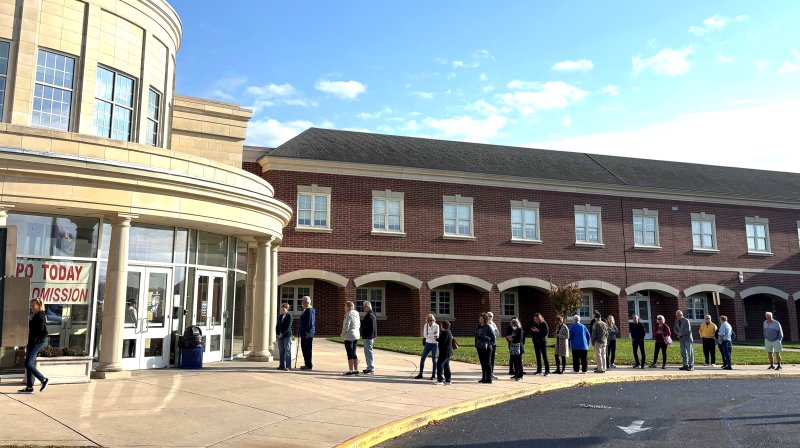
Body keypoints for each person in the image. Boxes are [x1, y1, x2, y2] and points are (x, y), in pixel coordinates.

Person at [19, 298, 49, 393]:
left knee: (28, 364)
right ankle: (29, 387)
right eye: (31, 305)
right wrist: (28, 343)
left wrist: (36, 341)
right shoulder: (36, 315)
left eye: (33, 305)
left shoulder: (40, 316)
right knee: (29, 364)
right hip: (32, 342)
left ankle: (43, 379)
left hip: (36, 343)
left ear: (39, 305)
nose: (31, 307)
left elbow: (44, 332)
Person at [416, 314, 439, 379]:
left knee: (434, 360)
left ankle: (433, 375)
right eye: (429, 320)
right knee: (423, 358)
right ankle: (420, 373)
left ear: (434, 320)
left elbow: (437, 335)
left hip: (435, 344)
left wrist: (430, 335)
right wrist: (432, 335)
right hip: (428, 343)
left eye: (432, 320)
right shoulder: (426, 325)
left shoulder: (437, 326)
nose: (431, 322)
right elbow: (425, 335)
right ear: (427, 320)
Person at [340, 301, 361, 375]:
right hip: (356, 334)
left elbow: (346, 326)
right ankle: (356, 370)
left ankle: (351, 370)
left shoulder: (348, 314)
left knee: (349, 353)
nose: (344, 308)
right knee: (354, 352)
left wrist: (342, 334)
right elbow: (359, 324)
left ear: (349, 307)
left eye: (345, 306)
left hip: (349, 335)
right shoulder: (357, 313)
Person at [475, 313, 496, 383]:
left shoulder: (488, 327)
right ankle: (484, 378)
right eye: (479, 318)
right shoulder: (478, 326)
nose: (480, 320)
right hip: (479, 347)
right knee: (482, 363)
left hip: (487, 348)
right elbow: (476, 336)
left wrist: (488, 341)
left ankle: (489, 379)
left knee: (487, 363)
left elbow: (493, 338)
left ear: (485, 319)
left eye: (482, 318)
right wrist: (476, 345)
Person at [298, 296, 315, 370]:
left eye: (303, 301)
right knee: (304, 349)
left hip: (307, 334)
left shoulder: (309, 310)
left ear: (307, 302)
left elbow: (309, 323)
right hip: (304, 333)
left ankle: (308, 365)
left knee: (307, 349)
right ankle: (306, 363)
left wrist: (306, 332)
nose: (301, 303)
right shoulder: (305, 310)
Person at [361, 301, 377, 374]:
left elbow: (371, 327)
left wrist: (367, 335)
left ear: (368, 306)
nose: (363, 308)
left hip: (368, 337)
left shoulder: (370, 315)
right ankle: (369, 367)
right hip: (368, 336)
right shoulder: (370, 314)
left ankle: (370, 368)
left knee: (369, 352)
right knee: (367, 352)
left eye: (364, 307)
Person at [435, 321, 454, 385]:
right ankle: (448, 380)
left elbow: (443, 342)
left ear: (443, 326)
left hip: (444, 352)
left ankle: (440, 380)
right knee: (446, 366)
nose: (440, 326)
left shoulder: (445, 333)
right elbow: (443, 340)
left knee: (439, 364)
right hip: (448, 352)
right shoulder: (448, 331)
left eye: (441, 325)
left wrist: (437, 339)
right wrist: (438, 339)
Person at [276, 303, 292, 371]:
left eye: (283, 309)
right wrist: (277, 334)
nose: (282, 310)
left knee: (287, 351)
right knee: (281, 351)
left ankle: (288, 366)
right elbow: (277, 326)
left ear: (287, 309)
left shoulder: (289, 316)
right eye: (281, 309)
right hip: (280, 336)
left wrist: (282, 334)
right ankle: (281, 365)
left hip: (286, 335)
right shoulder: (280, 316)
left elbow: (288, 327)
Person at [486, 312, 500, 380]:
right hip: (488, 343)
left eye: (491, 316)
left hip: (493, 343)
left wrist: (493, 333)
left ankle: (491, 373)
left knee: (492, 359)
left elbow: (497, 333)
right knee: (487, 359)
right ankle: (486, 374)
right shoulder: (485, 324)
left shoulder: (493, 324)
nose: (490, 317)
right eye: (488, 316)